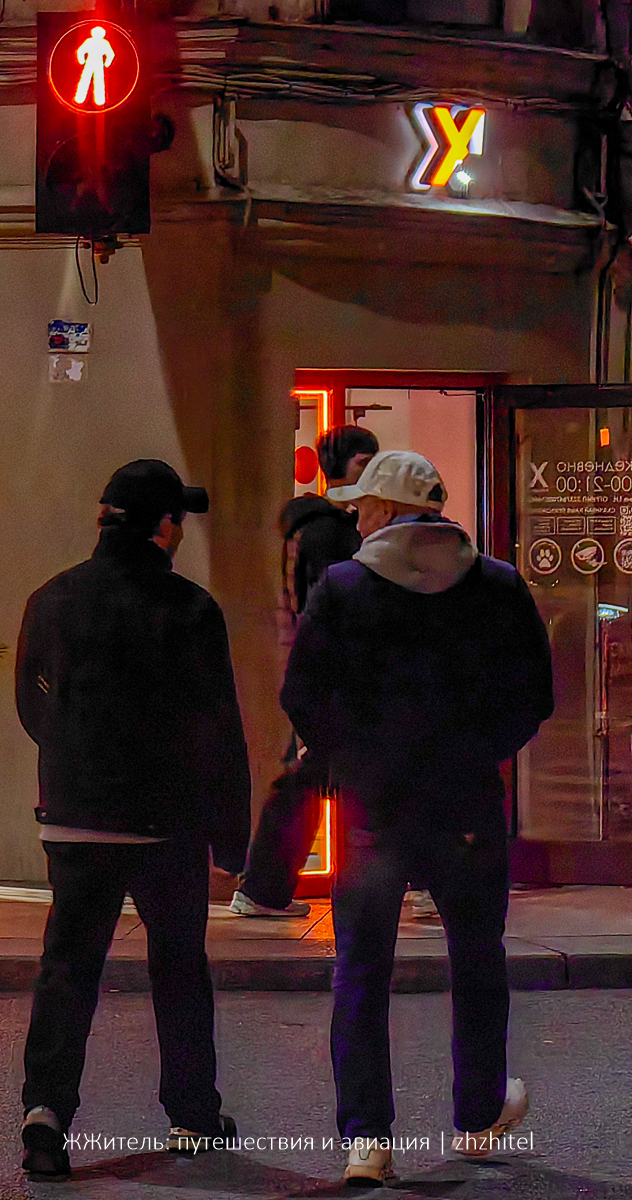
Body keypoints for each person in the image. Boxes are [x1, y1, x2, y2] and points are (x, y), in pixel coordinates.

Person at [281, 450, 553, 1186]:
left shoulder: (341, 588)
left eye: (364, 506)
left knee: (362, 971)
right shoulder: (497, 586)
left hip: (373, 810)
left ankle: (367, 1138)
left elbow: (303, 694)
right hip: (466, 807)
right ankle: (475, 1115)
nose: (355, 516)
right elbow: (534, 694)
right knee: (477, 962)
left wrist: (354, 761)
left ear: (391, 511)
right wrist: (480, 754)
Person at [15, 459, 250, 1179]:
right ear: (165, 526)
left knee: (68, 968)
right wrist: (232, 835)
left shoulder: (50, 599)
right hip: (165, 825)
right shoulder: (190, 608)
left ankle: (46, 1116)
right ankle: (191, 1115)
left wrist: (70, 765)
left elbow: (31, 706)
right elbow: (220, 728)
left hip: (75, 818)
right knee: (179, 967)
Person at [232, 425, 379, 919]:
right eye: (363, 462)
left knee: (313, 777)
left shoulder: (314, 529)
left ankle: (264, 887)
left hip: (320, 674)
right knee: (314, 777)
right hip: (334, 677)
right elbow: (331, 610)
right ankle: (263, 886)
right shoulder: (331, 534)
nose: (370, 471)